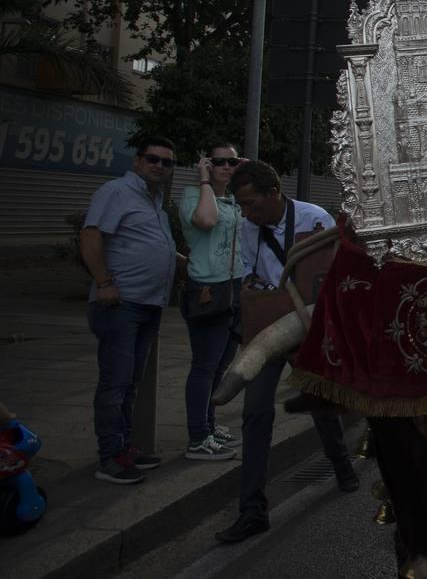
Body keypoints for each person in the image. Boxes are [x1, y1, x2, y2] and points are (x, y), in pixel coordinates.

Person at [215, 160, 357, 544]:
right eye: (242, 206)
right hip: (267, 332)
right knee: (255, 414)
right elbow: (249, 269)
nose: (247, 213)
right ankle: (252, 511)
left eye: (252, 204)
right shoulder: (249, 228)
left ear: (274, 193)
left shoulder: (315, 219)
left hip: (308, 327)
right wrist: (253, 287)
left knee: (320, 404)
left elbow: (335, 273)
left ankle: (342, 466)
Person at [81, 136, 179, 484]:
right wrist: (104, 282)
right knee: (115, 383)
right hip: (121, 304)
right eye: (153, 159)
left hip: (149, 304)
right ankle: (109, 457)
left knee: (131, 383)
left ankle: (125, 448)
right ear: (137, 161)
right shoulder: (117, 192)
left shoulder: (153, 200)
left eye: (167, 162)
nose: (160, 166)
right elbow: (91, 236)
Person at [177, 142, 247, 462]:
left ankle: (209, 425)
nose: (225, 167)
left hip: (233, 287)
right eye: (218, 162)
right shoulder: (195, 195)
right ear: (206, 164)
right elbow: (205, 221)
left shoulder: (233, 200)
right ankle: (197, 438)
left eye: (231, 163)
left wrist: (246, 171)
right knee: (205, 365)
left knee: (221, 364)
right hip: (207, 288)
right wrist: (204, 180)